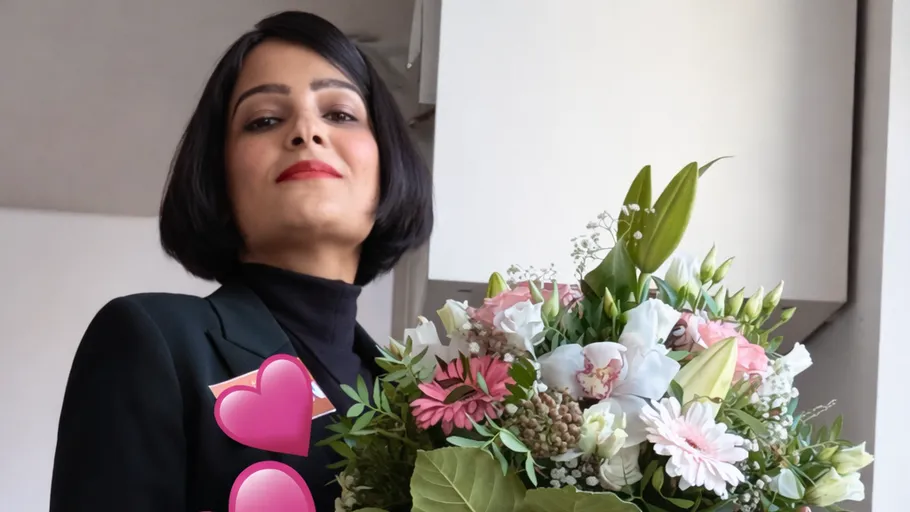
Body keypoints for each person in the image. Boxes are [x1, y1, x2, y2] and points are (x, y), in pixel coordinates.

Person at [48, 10, 432, 512]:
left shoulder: (420, 407)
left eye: (339, 113)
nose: (306, 131)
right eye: (265, 120)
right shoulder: (154, 340)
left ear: (386, 163)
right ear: (219, 175)